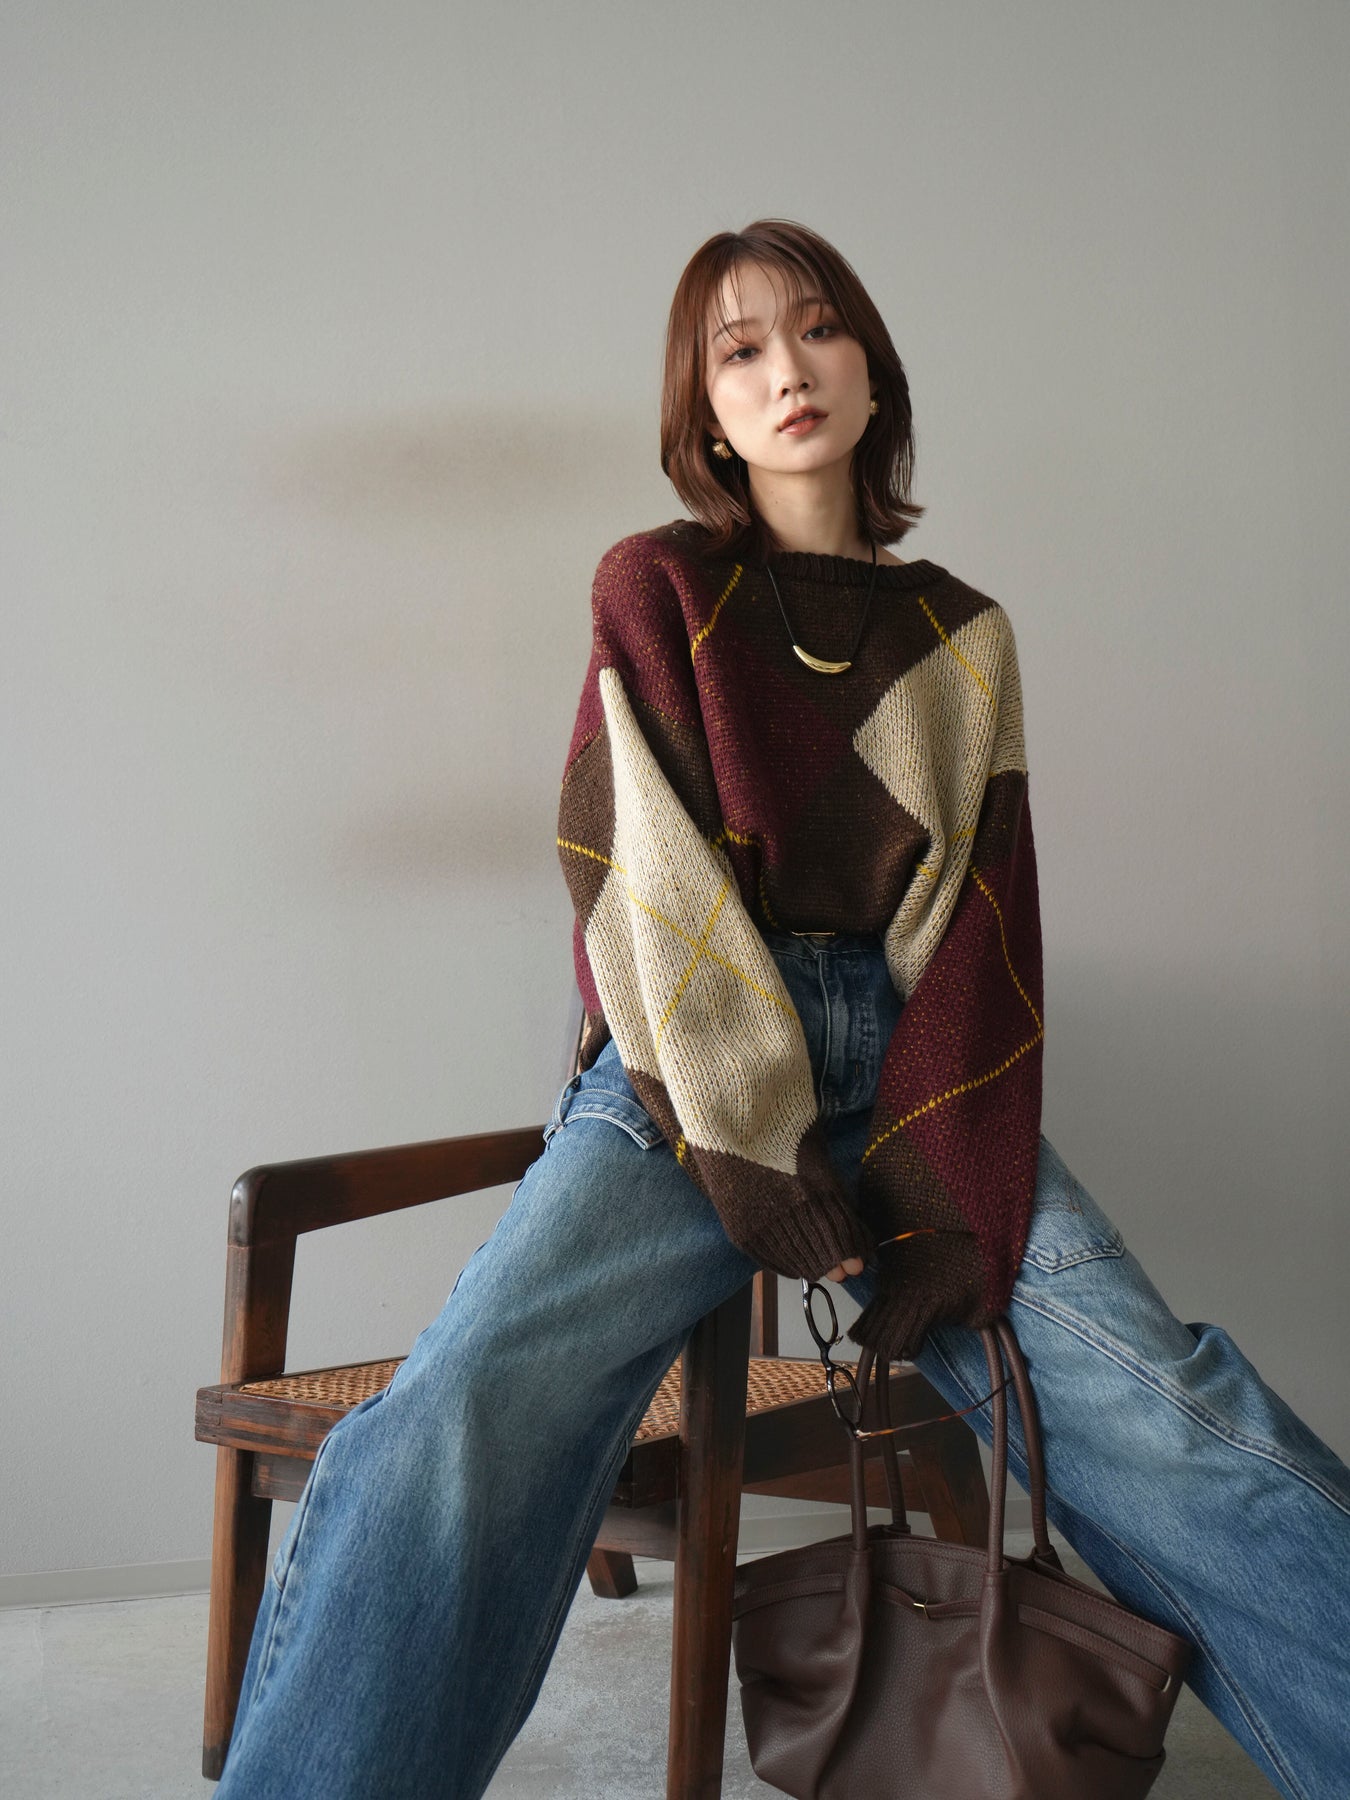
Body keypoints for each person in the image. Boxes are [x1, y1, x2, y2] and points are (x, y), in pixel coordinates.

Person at [216, 219, 1350, 1800]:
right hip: (675, 1088)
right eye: (737, 352)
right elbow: (636, 878)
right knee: (452, 1419)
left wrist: (938, 1196)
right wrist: (751, 1144)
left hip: (911, 1075)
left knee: (1170, 1413)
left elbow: (979, 928)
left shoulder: (961, 636)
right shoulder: (658, 585)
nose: (785, 372)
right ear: (702, 411)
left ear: (872, 371)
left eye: (816, 331)